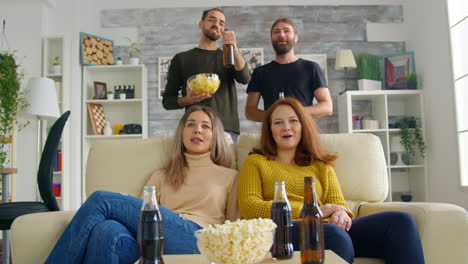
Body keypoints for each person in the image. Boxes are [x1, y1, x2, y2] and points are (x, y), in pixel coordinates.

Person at [238, 97, 425, 264]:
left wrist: (342, 214)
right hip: (283, 231)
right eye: (278, 122)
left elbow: (338, 203)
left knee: (400, 222)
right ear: (270, 130)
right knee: (332, 235)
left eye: (293, 121)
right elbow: (250, 207)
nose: (286, 127)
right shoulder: (256, 161)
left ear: (304, 126)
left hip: (327, 227)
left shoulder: (320, 165)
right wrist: (313, 211)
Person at [45, 106, 239, 263]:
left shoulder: (230, 176)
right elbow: (139, 221)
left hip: (201, 239)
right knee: (106, 230)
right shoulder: (161, 176)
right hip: (155, 239)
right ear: (181, 133)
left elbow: (236, 226)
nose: (197, 129)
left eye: (206, 126)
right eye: (191, 124)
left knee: (101, 200)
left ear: (215, 135)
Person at [162, 7, 251, 142]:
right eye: (212, 20)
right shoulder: (181, 59)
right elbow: (167, 101)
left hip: (226, 129)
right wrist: (188, 100)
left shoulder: (228, 56)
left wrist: (234, 47)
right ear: (201, 24)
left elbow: (245, 78)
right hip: (195, 131)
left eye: (222, 23)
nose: (217, 25)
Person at [245, 18, 332, 122]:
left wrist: (293, 113)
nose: (281, 35)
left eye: (286, 31)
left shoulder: (312, 68)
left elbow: (327, 107)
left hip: (304, 133)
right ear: (272, 38)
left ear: (296, 37)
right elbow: (250, 112)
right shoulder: (260, 72)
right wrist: (277, 117)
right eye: (276, 32)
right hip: (272, 134)